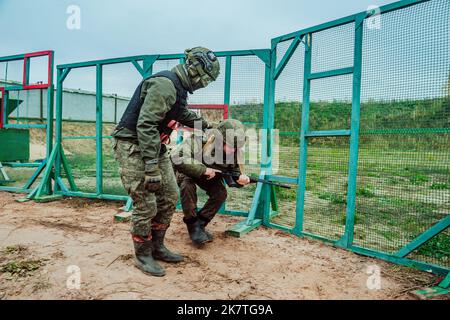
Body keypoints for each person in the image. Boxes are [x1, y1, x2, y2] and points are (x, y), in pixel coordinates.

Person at [112, 47, 220, 276]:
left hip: (154, 146)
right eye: (205, 78)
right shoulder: (165, 85)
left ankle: (158, 247)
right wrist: (151, 166)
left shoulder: (178, 90)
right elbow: (146, 124)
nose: (204, 84)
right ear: (194, 69)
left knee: (170, 195)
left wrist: (209, 127)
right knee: (146, 203)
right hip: (133, 146)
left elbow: (181, 114)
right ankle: (143, 254)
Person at [170, 119, 251, 245]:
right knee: (187, 186)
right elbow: (179, 158)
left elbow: (234, 172)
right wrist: (203, 169)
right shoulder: (200, 138)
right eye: (231, 146)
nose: (234, 150)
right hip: (186, 170)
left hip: (209, 175)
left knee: (220, 193)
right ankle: (192, 224)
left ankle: (200, 223)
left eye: (237, 147)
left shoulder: (235, 150)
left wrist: (241, 179)